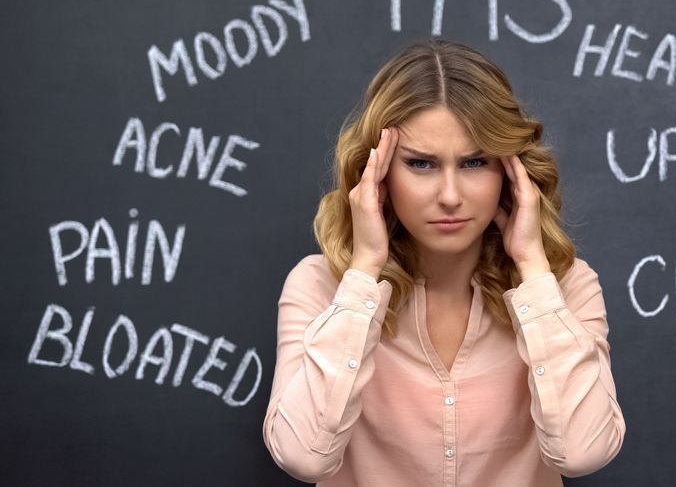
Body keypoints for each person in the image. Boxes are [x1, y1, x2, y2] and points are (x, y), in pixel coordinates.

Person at [262, 38, 625, 486]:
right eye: (421, 164)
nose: (450, 197)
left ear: (511, 174)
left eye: (475, 162)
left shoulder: (567, 288)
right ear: (378, 172)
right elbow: (303, 458)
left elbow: (583, 453)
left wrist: (532, 267)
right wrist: (365, 269)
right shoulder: (318, 286)